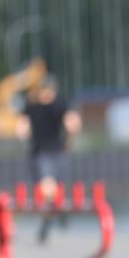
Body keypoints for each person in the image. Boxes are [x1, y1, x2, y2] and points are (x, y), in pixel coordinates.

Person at [16, 76, 82, 243]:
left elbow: (21, 130)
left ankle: (50, 218)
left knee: (51, 191)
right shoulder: (57, 105)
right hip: (50, 153)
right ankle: (57, 214)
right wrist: (69, 139)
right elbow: (73, 125)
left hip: (46, 153)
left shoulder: (33, 106)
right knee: (50, 189)